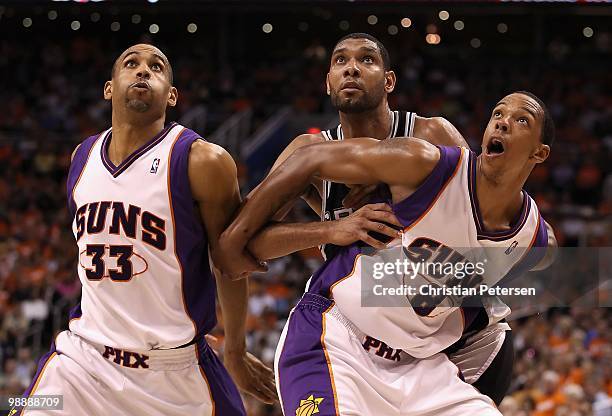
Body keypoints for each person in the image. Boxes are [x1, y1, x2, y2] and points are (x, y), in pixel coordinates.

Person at [233, 33, 534, 405]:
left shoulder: (429, 134)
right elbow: (250, 242)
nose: (352, 69)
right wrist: (332, 229)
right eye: (340, 61)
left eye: (367, 60)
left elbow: (477, 219)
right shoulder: (309, 151)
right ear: (328, 83)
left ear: (389, 81)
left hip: (439, 330)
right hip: (359, 325)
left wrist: (400, 184)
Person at [14, 44, 275, 416]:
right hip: (83, 364)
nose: (142, 71)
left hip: (172, 374)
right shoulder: (81, 157)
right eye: (131, 63)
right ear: (109, 87)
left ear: (171, 95)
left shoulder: (204, 161)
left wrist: (235, 348)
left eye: (156, 67)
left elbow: (230, 262)